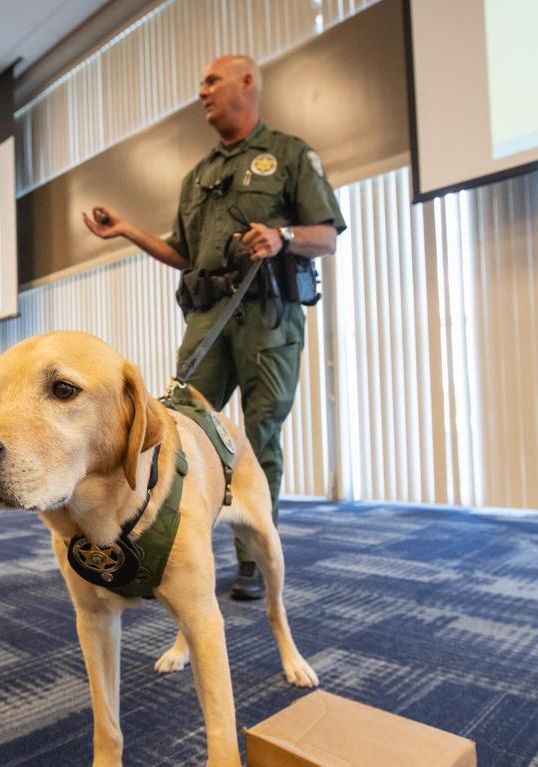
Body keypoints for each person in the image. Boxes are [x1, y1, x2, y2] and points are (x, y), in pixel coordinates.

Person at [82, 54, 345, 600]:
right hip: (209, 319)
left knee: (260, 435)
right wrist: (128, 229)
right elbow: (182, 254)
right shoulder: (198, 175)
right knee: (179, 427)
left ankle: (253, 556)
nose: (201, 91)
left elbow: (326, 235)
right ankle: (170, 540)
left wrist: (282, 237)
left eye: (211, 80)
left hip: (268, 319)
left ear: (246, 83)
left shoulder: (291, 155)